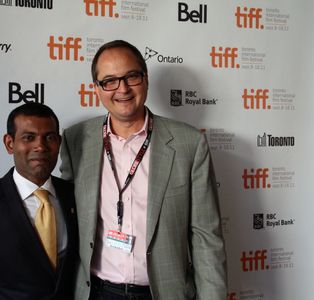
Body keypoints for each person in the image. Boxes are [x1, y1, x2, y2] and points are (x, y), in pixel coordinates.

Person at [60, 40, 226, 300]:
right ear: (97, 89)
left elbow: (206, 236)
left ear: (145, 79)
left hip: (163, 293)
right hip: (96, 292)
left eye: (131, 76)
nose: (122, 89)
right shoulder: (76, 139)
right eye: (110, 81)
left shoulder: (189, 143)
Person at [0, 102, 77, 300]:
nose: (40, 146)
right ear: (10, 143)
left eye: (49, 137)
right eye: (29, 137)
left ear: (59, 143)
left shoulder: (75, 195)